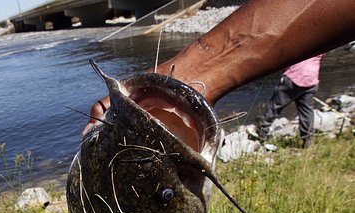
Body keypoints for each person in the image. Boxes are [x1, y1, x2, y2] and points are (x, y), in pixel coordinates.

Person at [82, 0, 355, 136]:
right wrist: (184, 79)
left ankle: (264, 131)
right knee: (301, 110)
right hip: (310, 82)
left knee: (275, 108)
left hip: (293, 81)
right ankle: (300, 136)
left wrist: (184, 79)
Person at [252, 54, 324, 148]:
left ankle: (262, 131)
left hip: (294, 77)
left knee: (275, 105)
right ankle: (308, 141)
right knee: (307, 112)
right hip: (312, 79)